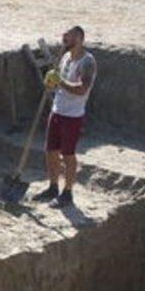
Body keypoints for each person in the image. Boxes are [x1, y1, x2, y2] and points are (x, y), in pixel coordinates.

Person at [33, 26, 97, 209]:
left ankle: (67, 193)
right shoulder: (66, 57)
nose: (64, 38)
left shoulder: (88, 62)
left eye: (68, 36)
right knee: (51, 151)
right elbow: (59, 83)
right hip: (57, 110)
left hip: (73, 115)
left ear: (79, 38)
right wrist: (52, 83)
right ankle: (53, 187)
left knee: (68, 154)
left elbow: (82, 89)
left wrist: (60, 81)